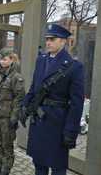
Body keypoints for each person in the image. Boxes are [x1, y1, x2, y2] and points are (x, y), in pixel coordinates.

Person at [20, 24, 84, 175]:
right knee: (39, 163)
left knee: (58, 167)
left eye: (52, 39)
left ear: (63, 41)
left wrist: (71, 130)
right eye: (47, 39)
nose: (48, 42)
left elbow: (77, 103)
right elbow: (34, 87)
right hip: (39, 119)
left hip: (58, 124)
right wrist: (24, 106)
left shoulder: (74, 67)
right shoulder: (41, 60)